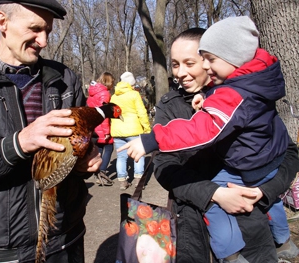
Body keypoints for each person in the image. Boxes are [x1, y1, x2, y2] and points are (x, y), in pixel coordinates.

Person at [120, 21, 299, 262]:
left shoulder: (241, 96)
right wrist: (215, 194)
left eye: (190, 62)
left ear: (212, 59)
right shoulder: (170, 105)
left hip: (253, 226)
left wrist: (263, 191)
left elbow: (286, 152)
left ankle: (280, 243)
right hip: (193, 229)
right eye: (175, 64)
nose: (180, 72)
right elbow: (164, 168)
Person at [0, 1, 102, 262]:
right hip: (0, 250)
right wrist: (16, 145)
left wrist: (87, 156)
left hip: (65, 237)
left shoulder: (65, 79)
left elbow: (87, 138)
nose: (43, 41)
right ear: (2, 22)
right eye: (35, 29)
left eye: (48, 31)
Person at [110, 71, 151, 190]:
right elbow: (142, 113)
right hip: (134, 130)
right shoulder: (134, 95)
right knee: (139, 155)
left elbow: (112, 114)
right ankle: (139, 180)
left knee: (121, 157)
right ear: (131, 84)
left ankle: (122, 181)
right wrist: (147, 128)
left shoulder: (114, 96)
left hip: (118, 131)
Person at [86, 72, 115, 186]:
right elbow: (105, 114)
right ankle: (102, 171)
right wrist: (107, 132)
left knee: (98, 150)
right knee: (108, 148)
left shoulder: (92, 93)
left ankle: (96, 169)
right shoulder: (104, 94)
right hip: (102, 127)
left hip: (93, 126)